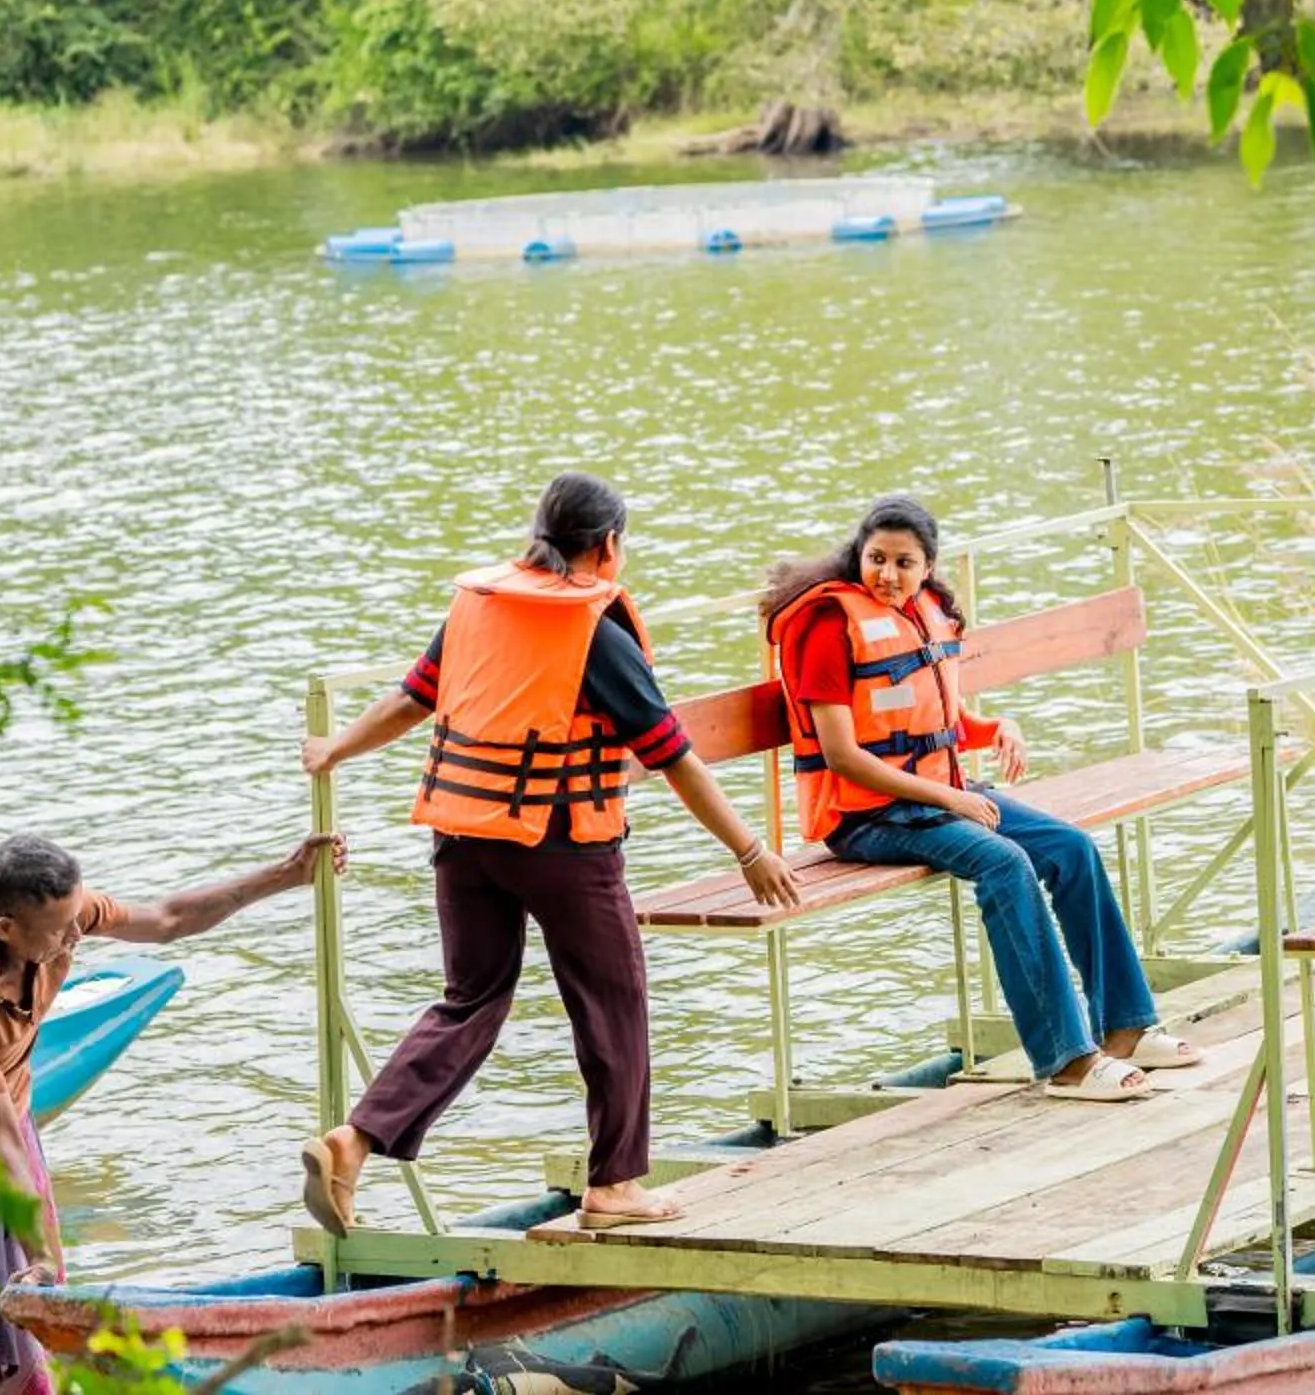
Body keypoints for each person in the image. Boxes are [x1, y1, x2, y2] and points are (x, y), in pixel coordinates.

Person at [297, 472, 801, 1236]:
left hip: (463, 833)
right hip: (563, 842)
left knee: (471, 997)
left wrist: (335, 748)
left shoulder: (478, 605)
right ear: (608, 545)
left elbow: (411, 698)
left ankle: (355, 1140)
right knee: (614, 1001)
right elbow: (672, 756)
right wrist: (750, 849)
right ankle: (615, 1187)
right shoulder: (593, 629)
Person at [759, 494, 1197, 1103]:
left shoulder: (926, 610)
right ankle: (1067, 1060)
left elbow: (938, 718)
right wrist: (952, 797)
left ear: (927, 566)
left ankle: (1125, 1024)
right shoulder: (828, 628)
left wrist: (997, 729)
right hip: (865, 817)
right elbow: (843, 755)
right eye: (875, 559)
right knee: (1004, 863)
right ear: (856, 555)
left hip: (940, 797)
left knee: (1070, 847)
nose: (887, 575)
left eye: (904, 563)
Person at [0, 829, 342, 1395]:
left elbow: (168, 920)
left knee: (39, 1295)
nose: (79, 933)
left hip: (8, 1109)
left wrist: (285, 875)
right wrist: (42, 1252)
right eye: (61, 929)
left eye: (78, 916)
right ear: (7, 930)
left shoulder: (59, 914)